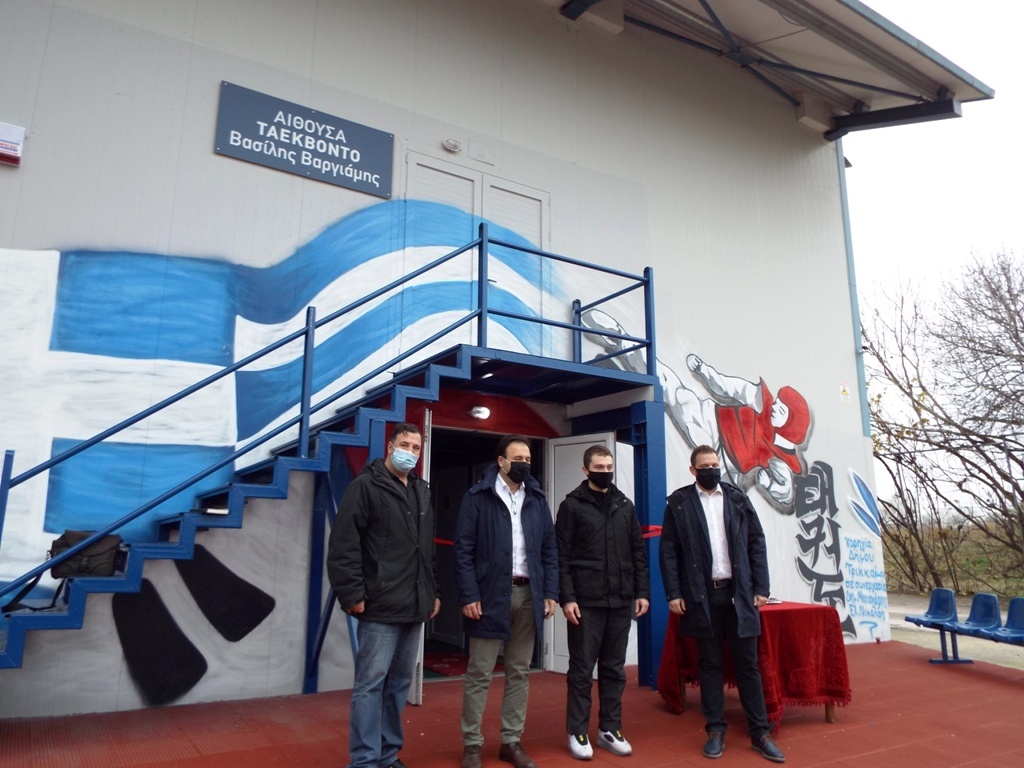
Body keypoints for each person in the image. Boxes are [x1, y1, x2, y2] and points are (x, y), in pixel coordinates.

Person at [659, 445, 785, 764]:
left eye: (715, 464)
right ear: (693, 470)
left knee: (748, 665)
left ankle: (760, 734)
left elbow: (756, 541)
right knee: (710, 665)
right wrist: (673, 593)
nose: (711, 470)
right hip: (702, 597)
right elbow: (669, 551)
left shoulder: (737, 498)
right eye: (704, 466)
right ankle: (715, 730)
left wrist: (762, 587)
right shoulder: (679, 504)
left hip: (739, 594)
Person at [327, 423, 441, 768]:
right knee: (370, 685)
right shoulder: (365, 487)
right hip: (379, 606)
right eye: (404, 445)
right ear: (390, 447)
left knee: (399, 684)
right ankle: (364, 760)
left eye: (416, 447)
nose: (410, 452)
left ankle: (388, 754)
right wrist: (352, 594)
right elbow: (344, 544)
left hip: (415, 606)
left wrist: (433, 592)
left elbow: (426, 550)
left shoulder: (421, 490)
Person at [454, 435, 559, 768]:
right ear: (501, 461)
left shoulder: (537, 499)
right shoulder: (478, 497)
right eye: (518, 458)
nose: (524, 463)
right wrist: (469, 594)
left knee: (519, 672)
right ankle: (472, 744)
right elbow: (463, 550)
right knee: (479, 673)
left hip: (529, 595)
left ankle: (511, 741)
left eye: (528, 458)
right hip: (488, 597)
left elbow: (549, 550)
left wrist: (551, 592)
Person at [555, 444, 650, 760]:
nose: (605, 472)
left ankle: (610, 728)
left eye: (609, 467)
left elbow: (638, 552)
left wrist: (642, 592)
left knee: (614, 669)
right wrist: (567, 597)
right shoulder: (571, 506)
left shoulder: (625, 505)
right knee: (582, 670)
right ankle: (577, 731)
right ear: (586, 470)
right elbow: (561, 556)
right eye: (599, 467)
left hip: (620, 600)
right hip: (586, 602)